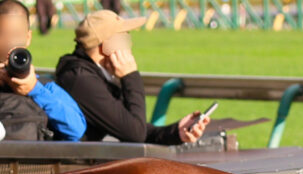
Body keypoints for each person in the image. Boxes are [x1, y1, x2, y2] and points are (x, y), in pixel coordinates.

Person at [55, 10, 209, 145]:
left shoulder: (92, 73)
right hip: (72, 171)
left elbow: (131, 127)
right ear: (106, 46)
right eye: (124, 37)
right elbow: (134, 134)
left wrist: (176, 132)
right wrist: (131, 76)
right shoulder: (79, 79)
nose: (130, 44)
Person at [0, 0, 86, 141]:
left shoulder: (44, 87)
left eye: (16, 35)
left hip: (34, 161)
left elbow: (76, 130)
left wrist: (35, 90)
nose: (9, 42)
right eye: (1, 35)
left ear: (28, 38)